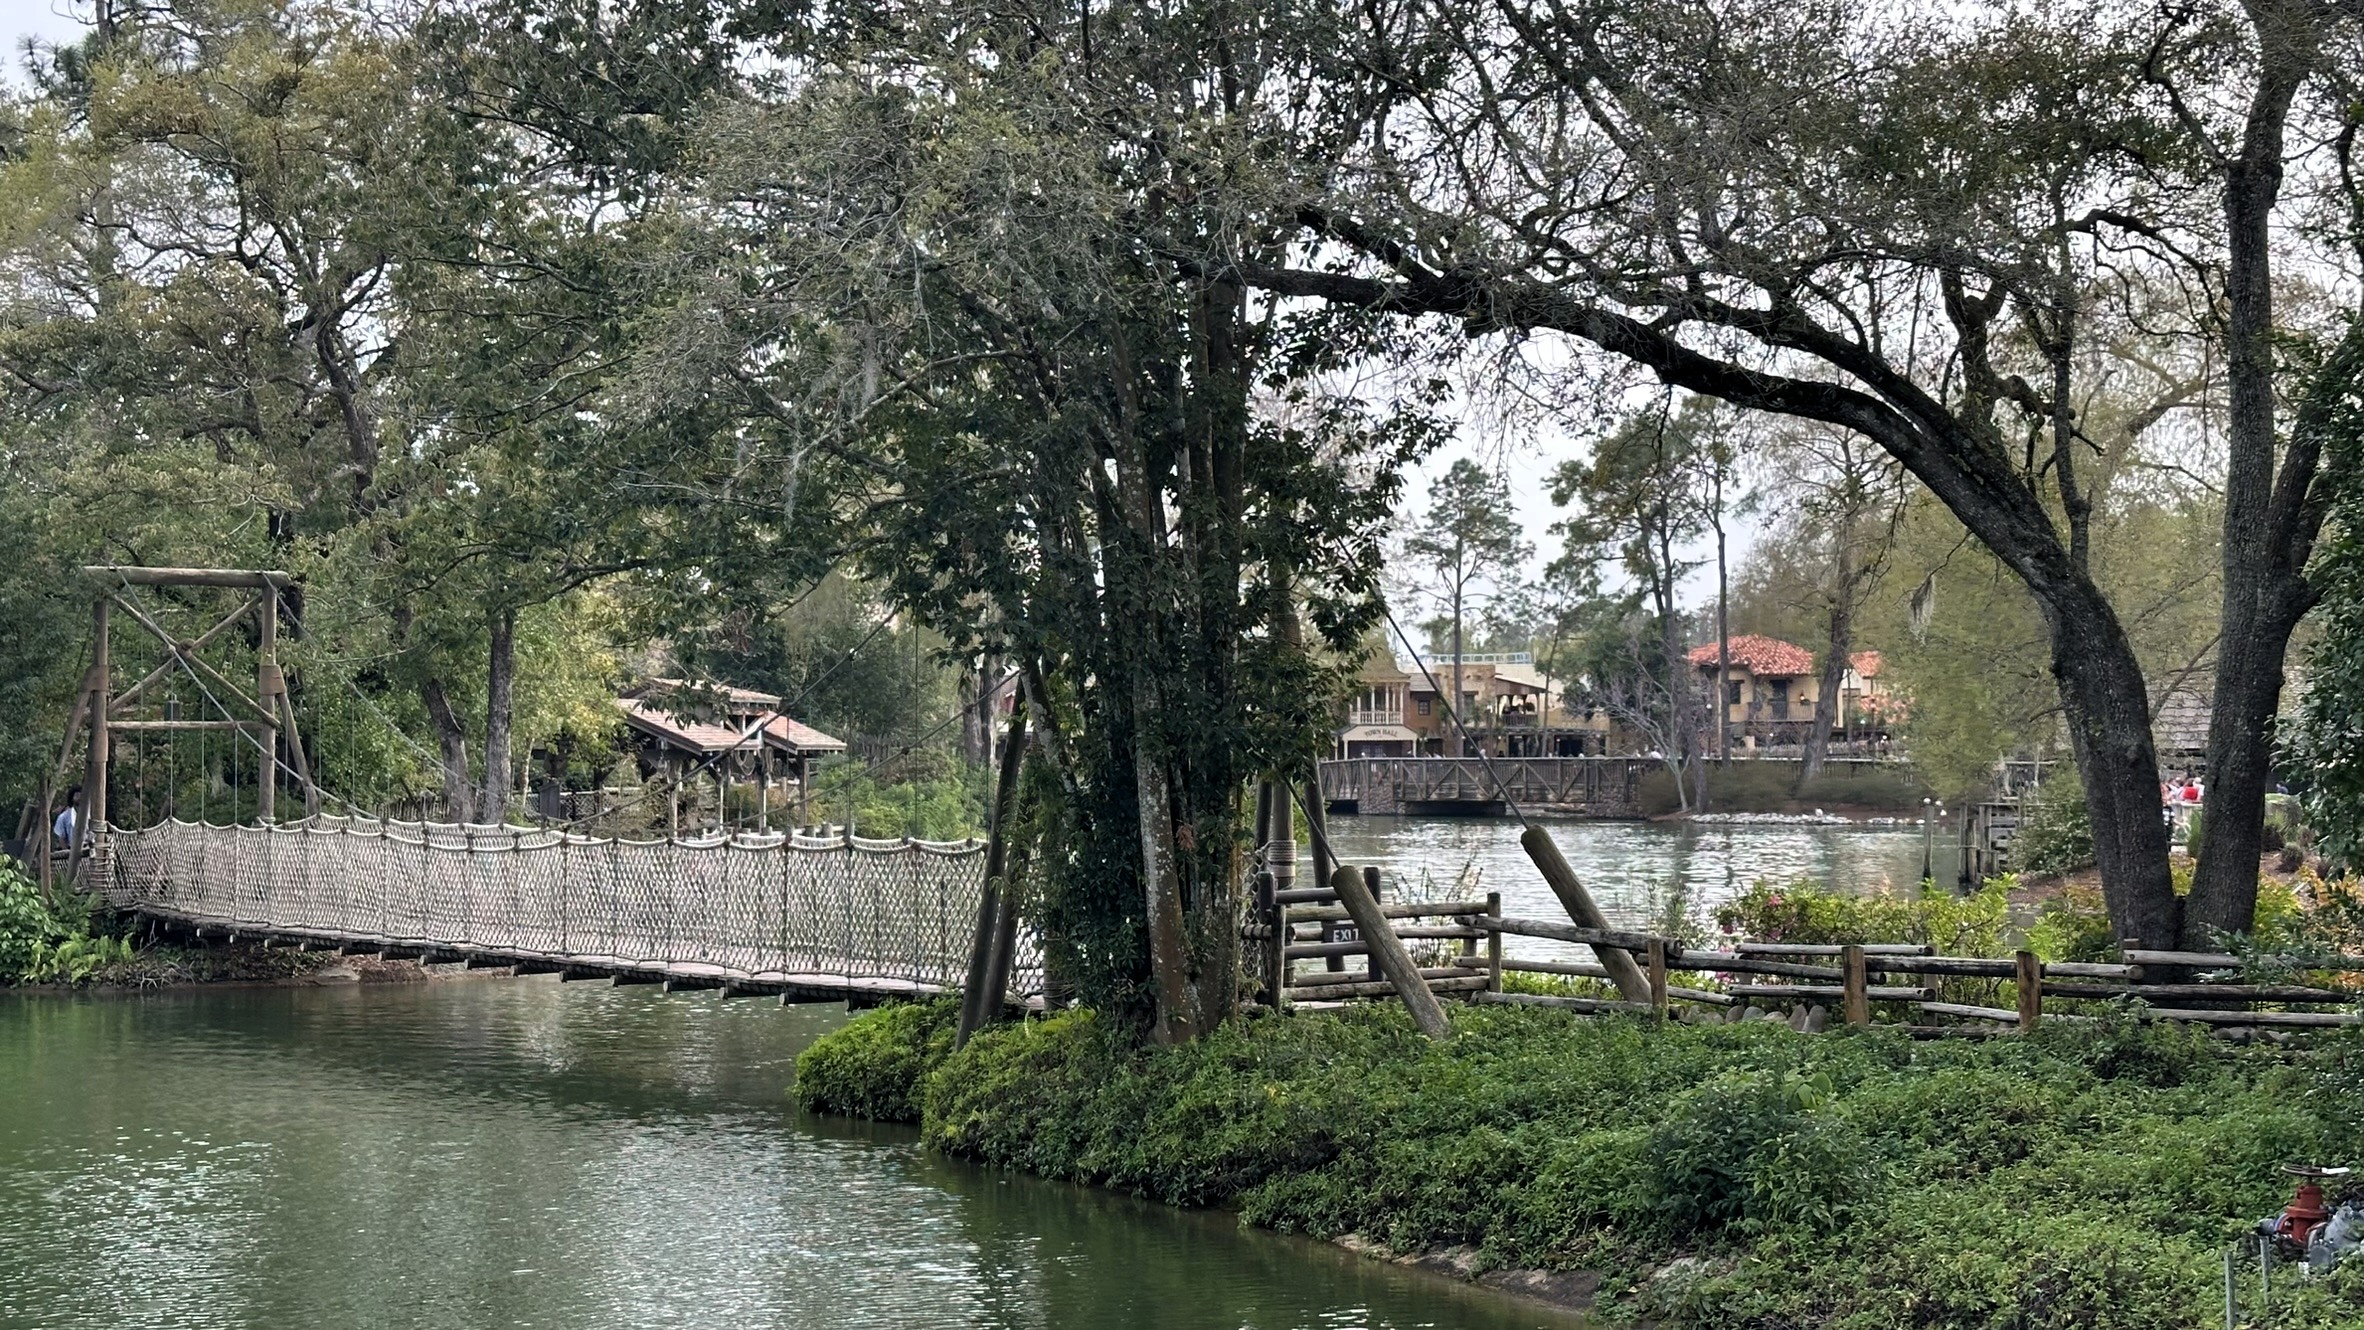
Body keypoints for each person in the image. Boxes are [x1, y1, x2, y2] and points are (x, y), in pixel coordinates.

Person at [52, 786, 80, 850]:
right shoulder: (63, 817)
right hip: (71, 850)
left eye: (81, 795)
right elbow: (61, 837)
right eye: (77, 795)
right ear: (72, 798)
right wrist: (66, 852)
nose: (80, 798)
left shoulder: (90, 814)